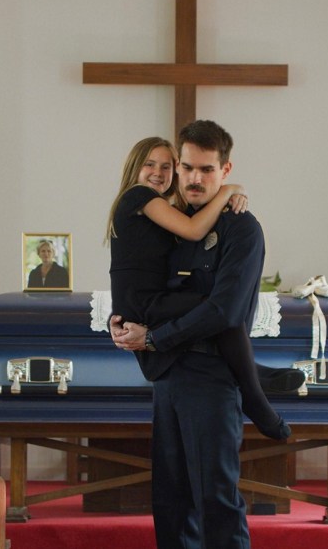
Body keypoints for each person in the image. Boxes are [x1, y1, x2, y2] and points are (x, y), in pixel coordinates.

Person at [110, 120, 268, 549]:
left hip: (211, 375)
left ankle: (257, 385)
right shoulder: (171, 221)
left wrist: (153, 337)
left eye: (207, 169)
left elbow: (226, 311)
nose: (194, 177)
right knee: (171, 500)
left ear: (224, 169)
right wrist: (121, 321)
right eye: (187, 167)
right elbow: (139, 281)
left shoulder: (240, 226)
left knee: (215, 499)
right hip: (168, 374)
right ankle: (261, 377)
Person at [106, 135, 298, 440]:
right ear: (134, 167)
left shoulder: (162, 207)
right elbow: (195, 230)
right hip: (144, 303)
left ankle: (253, 374)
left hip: (145, 300)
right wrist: (229, 190)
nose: (158, 172)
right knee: (221, 309)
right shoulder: (138, 196)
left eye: (166, 166)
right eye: (149, 164)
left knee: (222, 311)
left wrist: (225, 198)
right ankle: (254, 395)